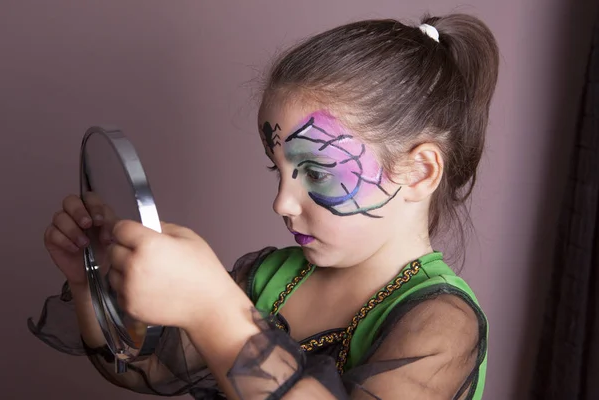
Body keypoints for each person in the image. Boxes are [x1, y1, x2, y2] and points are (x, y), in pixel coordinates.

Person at [29, 12, 500, 400]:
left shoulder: (440, 322)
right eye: (278, 170)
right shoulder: (271, 278)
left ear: (419, 173)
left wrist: (214, 309)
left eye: (315, 171)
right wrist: (90, 280)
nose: (282, 202)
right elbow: (144, 365)